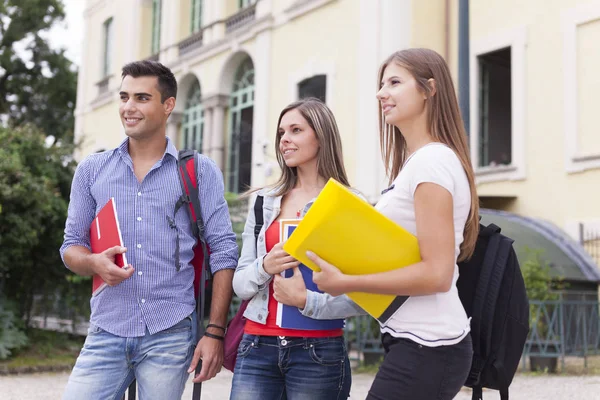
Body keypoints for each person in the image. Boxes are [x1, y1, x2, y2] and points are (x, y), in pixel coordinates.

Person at [60, 60, 238, 400]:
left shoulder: (198, 170)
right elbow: (71, 246)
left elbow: (224, 251)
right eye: (124, 97)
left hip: (169, 331)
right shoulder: (92, 170)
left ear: (168, 105)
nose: (129, 107)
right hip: (107, 327)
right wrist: (94, 262)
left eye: (142, 98)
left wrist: (215, 332)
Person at [307, 48, 479, 400]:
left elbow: (437, 274)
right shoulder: (420, 163)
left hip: (429, 345)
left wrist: (346, 282)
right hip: (417, 343)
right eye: (381, 84)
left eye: (395, 82)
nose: (381, 93)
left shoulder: (432, 164)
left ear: (429, 89)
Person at [230, 98, 364, 400]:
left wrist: (307, 301)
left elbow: (362, 296)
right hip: (256, 347)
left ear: (321, 135)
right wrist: (266, 265)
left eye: (295, 130)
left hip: (318, 352)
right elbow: (240, 284)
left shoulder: (348, 204)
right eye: (281, 133)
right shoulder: (264, 201)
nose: (284, 140)